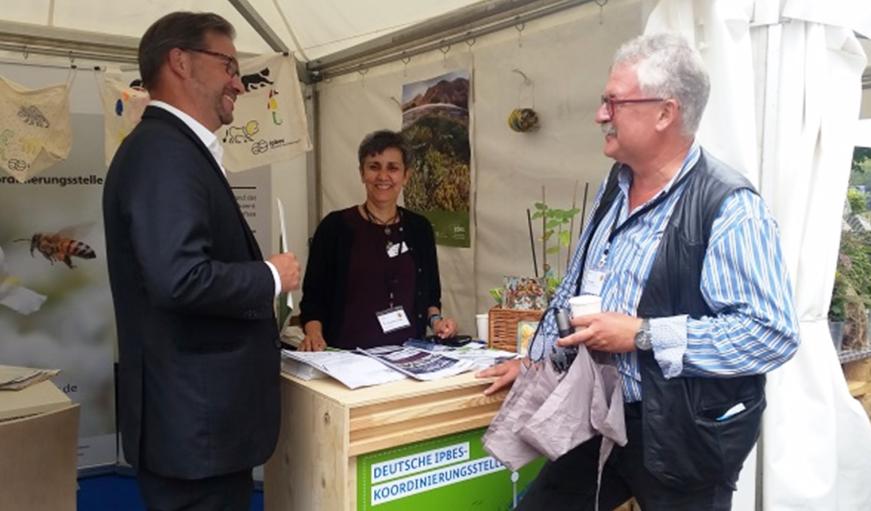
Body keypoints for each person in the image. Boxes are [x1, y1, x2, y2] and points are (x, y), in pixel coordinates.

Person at [478, 33, 799, 510]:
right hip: (604, 412)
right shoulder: (616, 182)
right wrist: (534, 361)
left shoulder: (730, 207)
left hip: (685, 437)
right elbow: (576, 283)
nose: (600, 115)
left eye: (613, 102)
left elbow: (771, 334)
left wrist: (643, 334)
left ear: (665, 113)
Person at [102, 12, 300, 510]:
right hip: (193, 433)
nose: (239, 82)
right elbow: (180, 278)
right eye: (229, 64)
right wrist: (271, 275)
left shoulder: (175, 148)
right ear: (180, 62)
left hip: (200, 430)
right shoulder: (164, 152)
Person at [298, 130, 457, 351]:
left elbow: (430, 295)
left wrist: (437, 322)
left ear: (406, 175)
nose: (383, 176)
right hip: (348, 357)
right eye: (374, 166)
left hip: (408, 354)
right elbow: (313, 298)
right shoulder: (335, 227)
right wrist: (314, 335)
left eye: (393, 168)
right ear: (362, 173)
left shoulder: (419, 228)